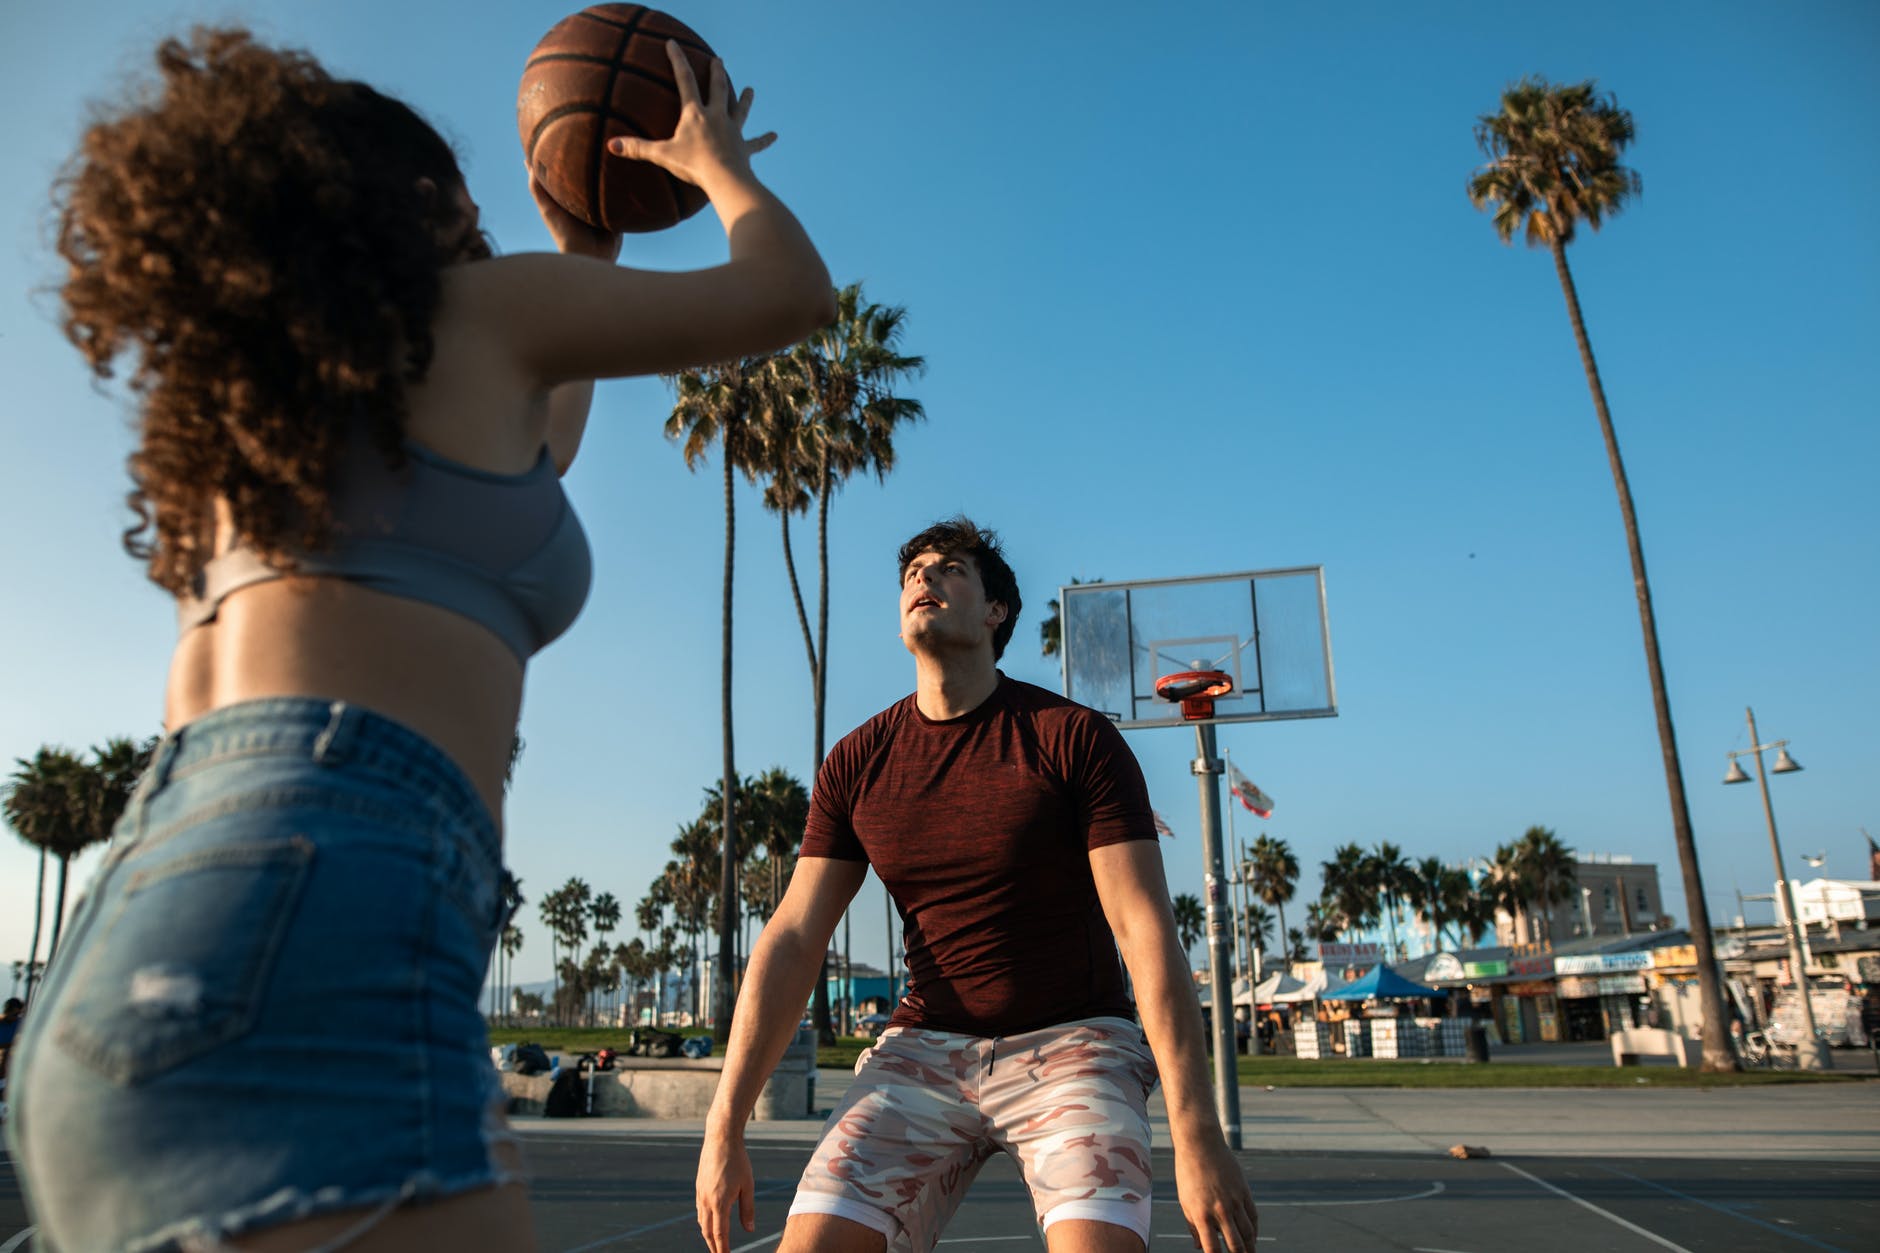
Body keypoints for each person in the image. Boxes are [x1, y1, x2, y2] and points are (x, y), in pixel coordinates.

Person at [4, 27, 830, 1253]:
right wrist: (714, 167)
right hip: (334, 885)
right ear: (424, 202)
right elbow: (791, 295)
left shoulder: (248, 423)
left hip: (130, 941)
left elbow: (526, 462)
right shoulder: (479, 311)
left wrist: (578, 251)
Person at [696, 518, 1259, 1253]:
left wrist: (1197, 1134)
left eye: (950, 568)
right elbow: (796, 936)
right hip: (922, 1050)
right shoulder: (858, 761)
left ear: (996, 611)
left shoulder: (1074, 738)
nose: (923, 578)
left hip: (1075, 1044)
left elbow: (1143, 930)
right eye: (912, 572)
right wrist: (723, 1125)